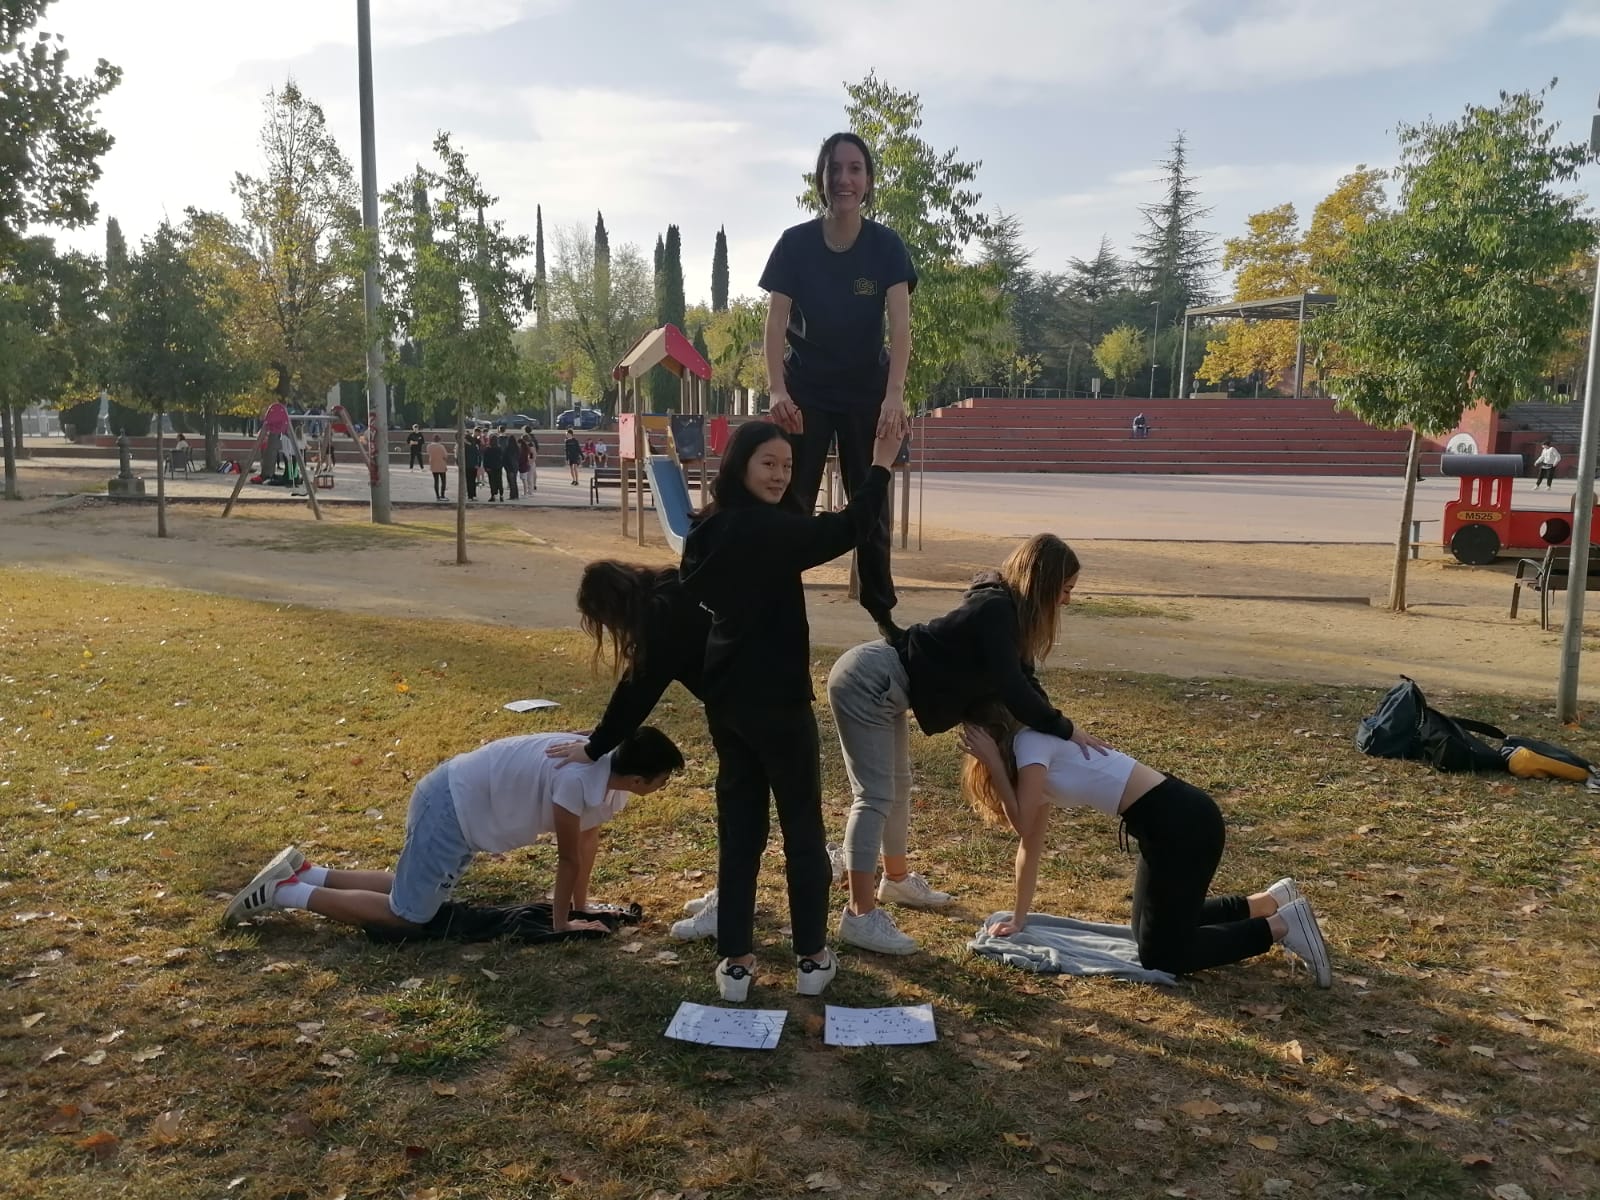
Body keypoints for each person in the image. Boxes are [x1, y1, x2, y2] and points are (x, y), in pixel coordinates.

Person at [680, 418, 901, 1002]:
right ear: (741, 465)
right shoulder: (769, 529)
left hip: (727, 700)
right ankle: (811, 957)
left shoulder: (708, 527)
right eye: (768, 464)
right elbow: (852, 525)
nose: (780, 475)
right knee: (802, 829)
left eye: (786, 465)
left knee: (741, 829)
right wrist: (880, 464)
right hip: (777, 702)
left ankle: (736, 962)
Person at [824, 533, 1108, 954]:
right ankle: (859, 916)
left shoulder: (1008, 615)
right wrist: (1063, 728)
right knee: (875, 795)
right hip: (867, 680)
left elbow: (1024, 678)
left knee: (898, 786)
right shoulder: (996, 610)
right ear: (1043, 582)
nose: (1066, 600)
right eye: (1064, 590)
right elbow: (1012, 687)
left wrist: (1060, 724)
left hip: (887, 685)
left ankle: (896, 880)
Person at [958, 708, 1332, 987]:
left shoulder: (1031, 743)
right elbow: (1029, 844)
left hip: (1182, 825)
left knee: (1162, 955)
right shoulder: (1033, 759)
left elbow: (1021, 822)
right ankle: (1267, 902)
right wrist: (1018, 919)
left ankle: (1281, 925)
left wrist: (994, 764)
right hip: (1166, 826)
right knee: (1146, 934)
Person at [222, 729, 685, 933]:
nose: (665, 786)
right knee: (408, 916)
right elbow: (567, 858)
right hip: (451, 807)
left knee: (415, 892)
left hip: (462, 802)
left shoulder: (608, 775)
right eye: (663, 779)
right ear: (639, 778)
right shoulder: (578, 778)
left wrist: (582, 908)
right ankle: (284, 892)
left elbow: (587, 842)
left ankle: (308, 872)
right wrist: (562, 922)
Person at [760, 131, 916, 640]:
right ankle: (776, 604)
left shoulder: (886, 246)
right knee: (790, 501)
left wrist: (894, 397)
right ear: (821, 179)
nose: (844, 179)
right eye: (834, 169)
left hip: (867, 392)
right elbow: (775, 323)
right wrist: (777, 390)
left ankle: (883, 614)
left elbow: (900, 328)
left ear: (868, 180)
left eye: (854, 169)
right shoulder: (794, 244)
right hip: (805, 393)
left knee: (872, 501)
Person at [546, 560, 719, 939]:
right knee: (744, 806)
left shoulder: (661, 615)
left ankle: (732, 904)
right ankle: (732, 895)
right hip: (758, 694)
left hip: (748, 706)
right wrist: (599, 739)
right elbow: (637, 682)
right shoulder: (671, 585)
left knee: (741, 806)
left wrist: (593, 748)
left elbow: (638, 689)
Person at [496, 425, 520, 500]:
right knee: (514, 481)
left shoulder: (508, 449)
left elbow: (506, 457)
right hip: (515, 465)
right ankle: (515, 495)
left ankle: (512, 496)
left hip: (509, 466)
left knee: (511, 481)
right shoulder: (517, 449)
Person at [426, 434, 449, 500]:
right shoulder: (441, 447)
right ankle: (442, 495)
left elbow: (428, 453)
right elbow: (445, 456)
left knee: (436, 481)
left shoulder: (429, 446)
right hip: (441, 465)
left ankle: (437, 496)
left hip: (433, 465)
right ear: (439, 440)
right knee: (443, 481)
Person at [483, 432, 504, 501]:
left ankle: (493, 495)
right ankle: (501, 495)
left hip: (490, 467)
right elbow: (502, 458)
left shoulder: (488, 449)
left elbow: (485, 459)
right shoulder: (499, 449)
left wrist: (486, 467)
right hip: (498, 467)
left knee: (492, 482)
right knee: (499, 481)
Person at [464, 433, 481, 501]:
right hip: (474, 466)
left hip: (467, 466)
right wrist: (478, 464)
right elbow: (478, 455)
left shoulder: (465, 447)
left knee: (469, 481)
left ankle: (470, 496)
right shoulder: (474, 446)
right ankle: (474, 495)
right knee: (473, 481)